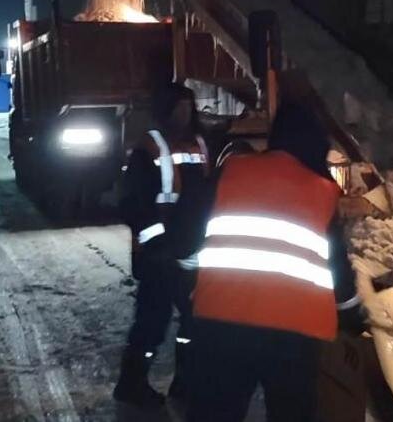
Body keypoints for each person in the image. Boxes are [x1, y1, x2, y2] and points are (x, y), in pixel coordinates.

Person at [187, 102, 361, 422]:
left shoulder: (233, 171)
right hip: (293, 336)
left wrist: (188, 281)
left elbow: (187, 234)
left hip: (222, 324)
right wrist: (354, 315)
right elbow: (337, 269)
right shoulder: (321, 192)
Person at [113, 83, 210, 408]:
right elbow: (132, 204)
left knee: (195, 322)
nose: (183, 113)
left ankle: (185, 382)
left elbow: (204, 197)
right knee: (152, 322)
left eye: (187, 106)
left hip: (190, 251)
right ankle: (131, 383)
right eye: (177, 107)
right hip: (159, 255)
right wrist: (158, 244)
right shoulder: (149, 148)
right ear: (164, 109)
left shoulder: (199, 145)